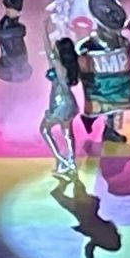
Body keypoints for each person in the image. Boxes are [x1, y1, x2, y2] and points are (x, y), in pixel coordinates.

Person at [76, 0, 130, 144]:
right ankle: (89, 119)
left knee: (115, 107)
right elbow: (80, 58)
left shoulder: (122, 42)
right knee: (99, 106)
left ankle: (110, 131)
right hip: (99, 86)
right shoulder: (88, 44)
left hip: (118, 85)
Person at [40, 27, 81, 176]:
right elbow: (48, 51)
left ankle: (60, 159)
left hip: (59, 101)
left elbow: (50, 53)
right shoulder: (68, 67)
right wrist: (44, 32)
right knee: (67, 132)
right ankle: (71, 161)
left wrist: (44, 30)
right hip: (69, 101)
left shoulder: (59, 66)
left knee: (44, 130)